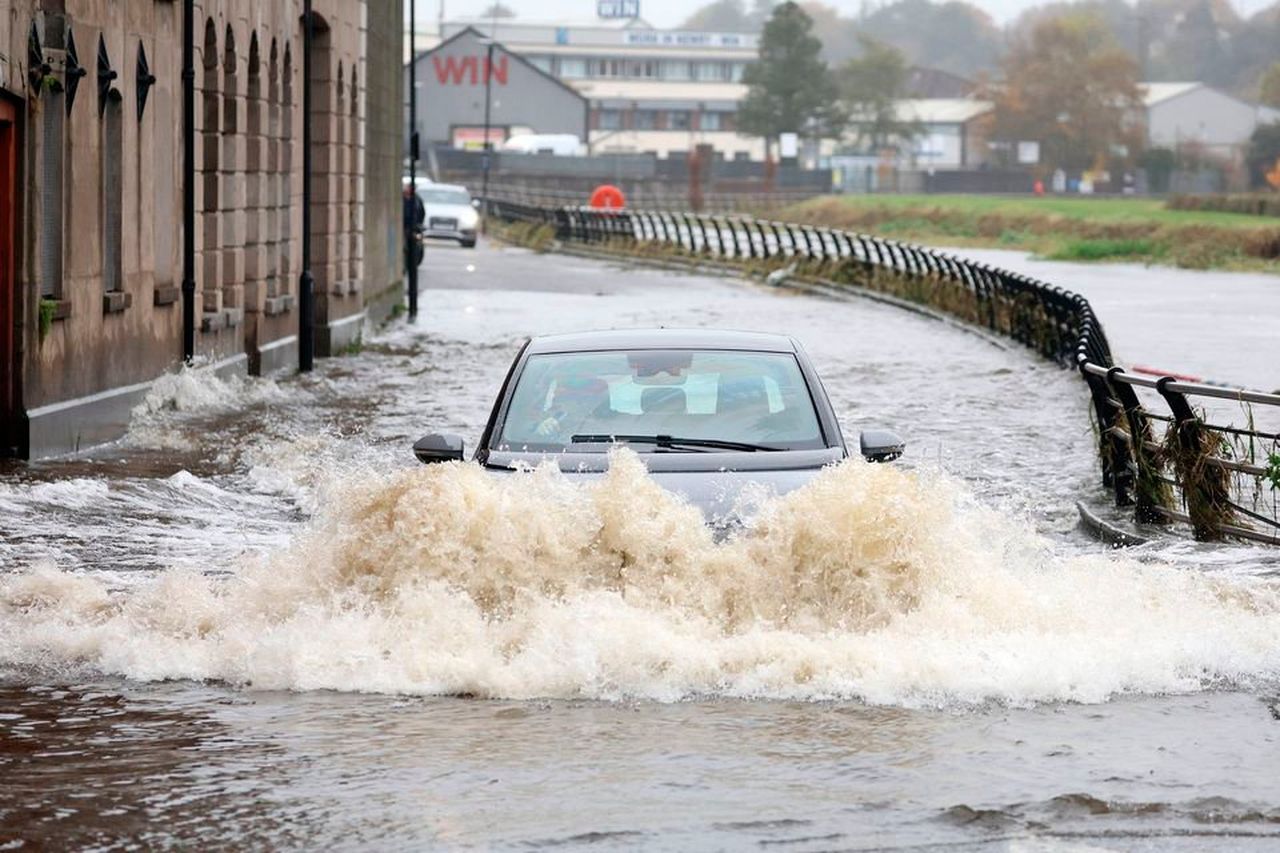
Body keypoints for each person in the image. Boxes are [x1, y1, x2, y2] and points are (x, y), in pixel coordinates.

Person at [403, 183, 425, 268]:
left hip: (414, 227)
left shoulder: (417, 199)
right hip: (405, 227)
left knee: (416, 245)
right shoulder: (403, 199)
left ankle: (413, 262)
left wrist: (418, 224)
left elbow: (421, 213)